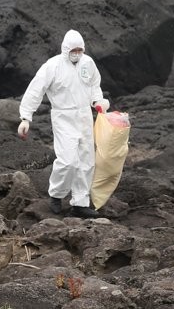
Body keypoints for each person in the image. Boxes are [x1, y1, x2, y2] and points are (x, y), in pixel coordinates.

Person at [18, 29, 109, 218]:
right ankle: (56, 194)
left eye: (80, 50)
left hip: (84, 116)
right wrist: (26, 117)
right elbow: (36, 89)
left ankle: (80, 202)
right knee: (67, 160)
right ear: (65, 49)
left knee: (86, 161)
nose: (77, 53)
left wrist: (98, 102)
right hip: (63, 116)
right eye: (73, 50)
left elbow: (94, 86)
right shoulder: (53, 66)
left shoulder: (88, 63)